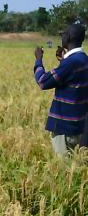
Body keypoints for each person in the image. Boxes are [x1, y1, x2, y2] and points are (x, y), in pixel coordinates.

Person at [34, 24, 88, 156]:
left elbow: (43, 81)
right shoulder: (83, 59)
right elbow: (73, 78)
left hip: (65, 128)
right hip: (80, 126)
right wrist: (63, 61)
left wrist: (38, 60)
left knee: (65, 170)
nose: (62, 37)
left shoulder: (71, 63)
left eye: (63, 34)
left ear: (68, 37)